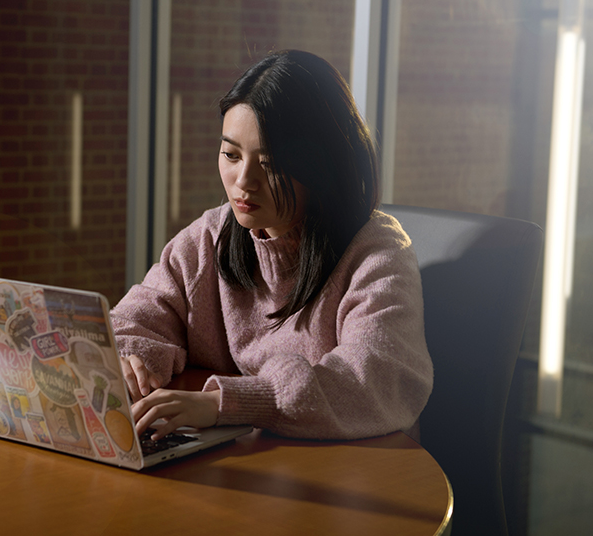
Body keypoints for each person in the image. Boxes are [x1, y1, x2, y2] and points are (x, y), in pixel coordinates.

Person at [111, 49, 432, 441]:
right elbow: (133, 321)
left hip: (349, 472)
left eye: (270, 164)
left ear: (320, 166)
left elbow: (373, 380)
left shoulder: (378, 253)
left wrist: (222, 404)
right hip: (250, 461)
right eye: (230, 154)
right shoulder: (211, 236)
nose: (243, 181)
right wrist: (131, 362)